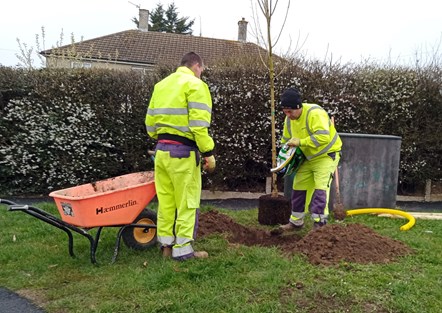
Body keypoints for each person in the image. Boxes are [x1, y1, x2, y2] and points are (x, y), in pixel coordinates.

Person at [145, 52, 216, 260]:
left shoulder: (161, 86)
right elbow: (199, 127)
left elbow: (150, 126)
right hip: (184, 154)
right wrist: (209, 153)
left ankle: (166, 247)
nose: (201, 74)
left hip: (161, 153)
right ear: (196, 66)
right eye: (201, 70)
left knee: (166, 202)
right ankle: (184, 251)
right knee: (187, 202)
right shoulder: (196, 85)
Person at [278, 87, 342, 230]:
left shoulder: (315, 113)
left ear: (299, 107)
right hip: (307, 157)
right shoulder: (289, 120)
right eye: (285, 111)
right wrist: (285, 155)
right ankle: (296, 222)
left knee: (320, 189)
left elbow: (323, 137)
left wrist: (301, 142)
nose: (288, 115)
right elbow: (286, 140)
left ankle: (320, 225)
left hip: (325, 156)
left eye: (290, 111)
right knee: (298, 187)